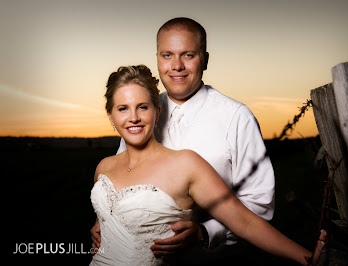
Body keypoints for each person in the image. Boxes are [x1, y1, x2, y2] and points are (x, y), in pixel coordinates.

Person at [90, 64, 326, 266]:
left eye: (142, 107)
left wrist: (307, 258)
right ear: (110, 116)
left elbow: (244, 221)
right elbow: (114, 218)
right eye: (123, 108)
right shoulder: (104, 168)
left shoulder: (185, 164)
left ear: (157, 111)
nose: (133, 117)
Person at [91, 17, 277, 262]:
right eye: (167, 55)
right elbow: (123, 181)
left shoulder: (236, 117)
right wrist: (104, 222)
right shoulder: (139, 112)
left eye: (188, 55)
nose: (176, 65)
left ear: (205, 60)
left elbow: (260, 205)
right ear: (157, 58)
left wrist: (206, 232)